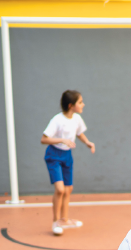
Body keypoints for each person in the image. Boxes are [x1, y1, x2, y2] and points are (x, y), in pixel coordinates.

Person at [41, 90, 95, 235]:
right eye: (80, 102)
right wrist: (62, 140)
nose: (83, 104)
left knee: (68, 189)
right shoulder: (57, 120)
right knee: (60, 189)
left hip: (67, 156)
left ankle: (64, 220)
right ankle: (55, 222)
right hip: (54, 156)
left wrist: (87, 142)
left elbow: (79, 133)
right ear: (71, 105)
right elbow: (44, 139)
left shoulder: (76, 119)